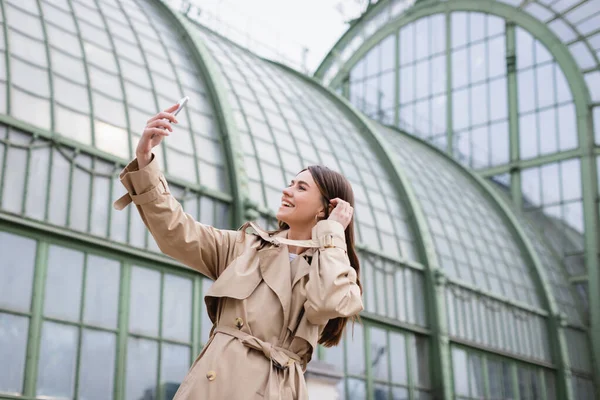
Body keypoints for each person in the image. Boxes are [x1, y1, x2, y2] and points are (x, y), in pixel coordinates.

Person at [113, 103, 364, 399]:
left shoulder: (331, 266)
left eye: (300, 188)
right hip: (212, 386)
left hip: (274, 390)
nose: (287, 190)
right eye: (289, 183)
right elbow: (176, 231)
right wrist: (145, 159)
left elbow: (328, 303)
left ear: (326, 208)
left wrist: (332, 234)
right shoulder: (244, 247)